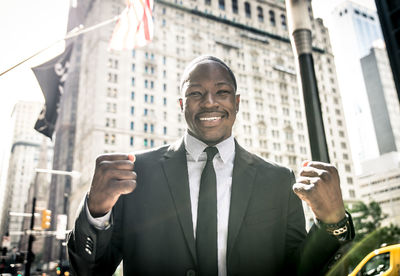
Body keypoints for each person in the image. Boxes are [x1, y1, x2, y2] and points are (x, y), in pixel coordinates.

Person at [67, 56, 354, 276]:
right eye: (196, 94)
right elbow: (91, 270)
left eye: (222, 92)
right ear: (182, 103)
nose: (209, 103)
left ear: (237, 102)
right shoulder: (136, 173)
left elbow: (298, 270)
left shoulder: (278, 180)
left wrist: (331, 225)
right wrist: (96, 212)